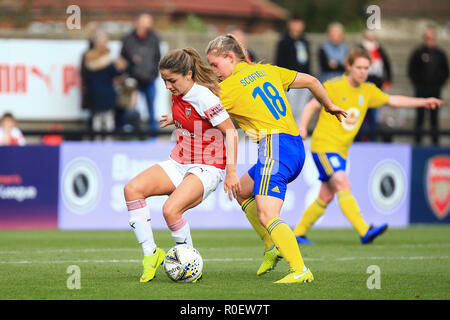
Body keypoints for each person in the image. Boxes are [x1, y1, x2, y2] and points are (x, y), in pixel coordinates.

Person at [206, 34, 346, 283]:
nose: (214, 72)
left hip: (274, 147)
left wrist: (175, 119)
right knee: (242, 191)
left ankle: (300, 270)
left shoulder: (227, 89)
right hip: (294, 146)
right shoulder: (268, 71)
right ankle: (272, 246)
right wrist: (329, 105)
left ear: (230, 57)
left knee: (267, 213)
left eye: (215, 65)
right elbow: (313, 80)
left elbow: (204, 115)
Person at [294, 48, 443, 245]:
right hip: (324, 146)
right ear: (348, 67)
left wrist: (424, 102)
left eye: (366, 68)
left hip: (341, 150)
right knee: (342, 183)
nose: (363, 72)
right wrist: (303, 127)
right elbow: (311, 106)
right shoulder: (334, 86)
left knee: (327, 194)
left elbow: (394, 101)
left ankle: (298, 232)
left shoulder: (368, 90)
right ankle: (364, 231)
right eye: (359, 68)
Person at [123, 48, 240, 283]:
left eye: (172, 80)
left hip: (208, 166)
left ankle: (190, 262)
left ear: (189, 74)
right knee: (132, 190)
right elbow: (193, 116)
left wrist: (231, 172)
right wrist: (174, 119)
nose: (167, 86)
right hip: (180, 162)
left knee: (170, 210)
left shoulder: (205, 97)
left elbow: (232, 133)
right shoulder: (179, 92)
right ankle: (151, 255)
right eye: (164, 80)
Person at [408, 26, 449, 145]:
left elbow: (445, 71)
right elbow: (411, 70)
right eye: (426, 38)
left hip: (435, 91)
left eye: (431, 38)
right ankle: (417, 143)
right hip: (421, 91)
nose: (428, 40)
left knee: (434, 119)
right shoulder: (418, 53)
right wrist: (418, 85)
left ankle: (435, 144)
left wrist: (438, 84)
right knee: (419, 118)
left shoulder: (440, 54)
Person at [121, 13, 161, 131]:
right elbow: (123, 57)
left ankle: (153, 134)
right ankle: (130, 132)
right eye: (146, 21)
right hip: (133, 80)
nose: (148, 24)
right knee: (130, 109)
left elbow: (157, 57)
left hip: (149, 79)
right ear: (138, 22)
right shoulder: (128, 38)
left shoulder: (154, 38)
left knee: (151, 110)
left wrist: (154, 74)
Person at [84, 30, 127, 136]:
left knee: (97, 118)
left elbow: (85, 75)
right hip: (107, 91)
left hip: (94, 91)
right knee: (108, 118)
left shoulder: (87, 57)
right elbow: (116, 72)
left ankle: (97, 141)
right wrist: (124, 67)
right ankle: (108, 142)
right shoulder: (107, 60)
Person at [356, 29, 393, 142]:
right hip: (361, 87)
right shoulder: (360, 48)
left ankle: (372, 139)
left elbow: (387, 65)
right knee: (360, 115)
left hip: (376, 86)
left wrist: (388, 81)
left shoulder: (379, 49)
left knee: (374, 115)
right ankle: (359, 139)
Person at [275, 14, 312, 120]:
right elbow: (279, 62)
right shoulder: (284, 42)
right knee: (290, 109)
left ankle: (299, 132)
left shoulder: (304, 41)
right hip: (290, 81)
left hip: (303, 79)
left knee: (302, 109)